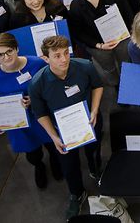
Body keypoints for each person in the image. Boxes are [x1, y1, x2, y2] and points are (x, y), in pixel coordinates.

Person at [29, 35, 103, 220]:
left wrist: (94, 110)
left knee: (94, 150)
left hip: (89, 120)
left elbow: (98, 86)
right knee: (69, 166)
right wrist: (54, 137)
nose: (63, 59)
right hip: (63, 130)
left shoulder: (85, 66)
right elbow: (40, 114)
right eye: (57, 56)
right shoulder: (37, 83)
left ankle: (96, 169)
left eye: (65, 53)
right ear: (46, 58)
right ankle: (77, 193)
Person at [0, 33, 61, 187]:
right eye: (0, 55)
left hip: (42, 116)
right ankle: (39, 166)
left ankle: (56, 163)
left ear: (16, 48)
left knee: (53, 146)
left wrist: (35, 99)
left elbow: (51, 87)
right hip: (19, 124)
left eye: (9, 51)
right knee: (32, 154)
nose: (6, 57)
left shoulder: (37, 64)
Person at [67, 0, 133, 86]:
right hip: (98, 45)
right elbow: (79, 33)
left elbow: (127, 12)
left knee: (126, 63)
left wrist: (129, 34)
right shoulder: (76, 5)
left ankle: (128, 85)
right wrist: (99, 45)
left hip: (122, 38)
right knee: (109, 69)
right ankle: (116, 86)